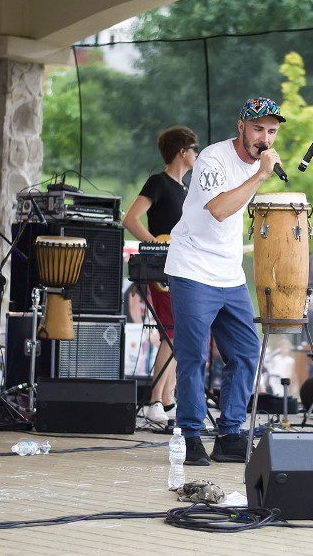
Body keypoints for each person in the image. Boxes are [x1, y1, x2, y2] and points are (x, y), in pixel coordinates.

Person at [164, 97, 285, 465]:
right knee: (193, 357)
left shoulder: (253, 166)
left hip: (229, 275)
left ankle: (230, 433)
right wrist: (260, 175)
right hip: (192, 270)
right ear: (241, 127)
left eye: (272, 131)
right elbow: (218, 209)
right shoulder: (213, 159)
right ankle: (190, 436)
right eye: (258, 129)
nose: (264, 137)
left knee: (247, 351)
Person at [123, 126, 199, 423]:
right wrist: (156, 245)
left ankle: (167, 399)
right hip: (163, 267)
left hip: (182, 266)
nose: (197, 154)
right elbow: (130, 218)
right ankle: (155, 400)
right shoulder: (159, 182)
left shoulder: (186, 190)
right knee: (170, 330)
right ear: (183, 151)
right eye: (195, 148)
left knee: (178, 332)